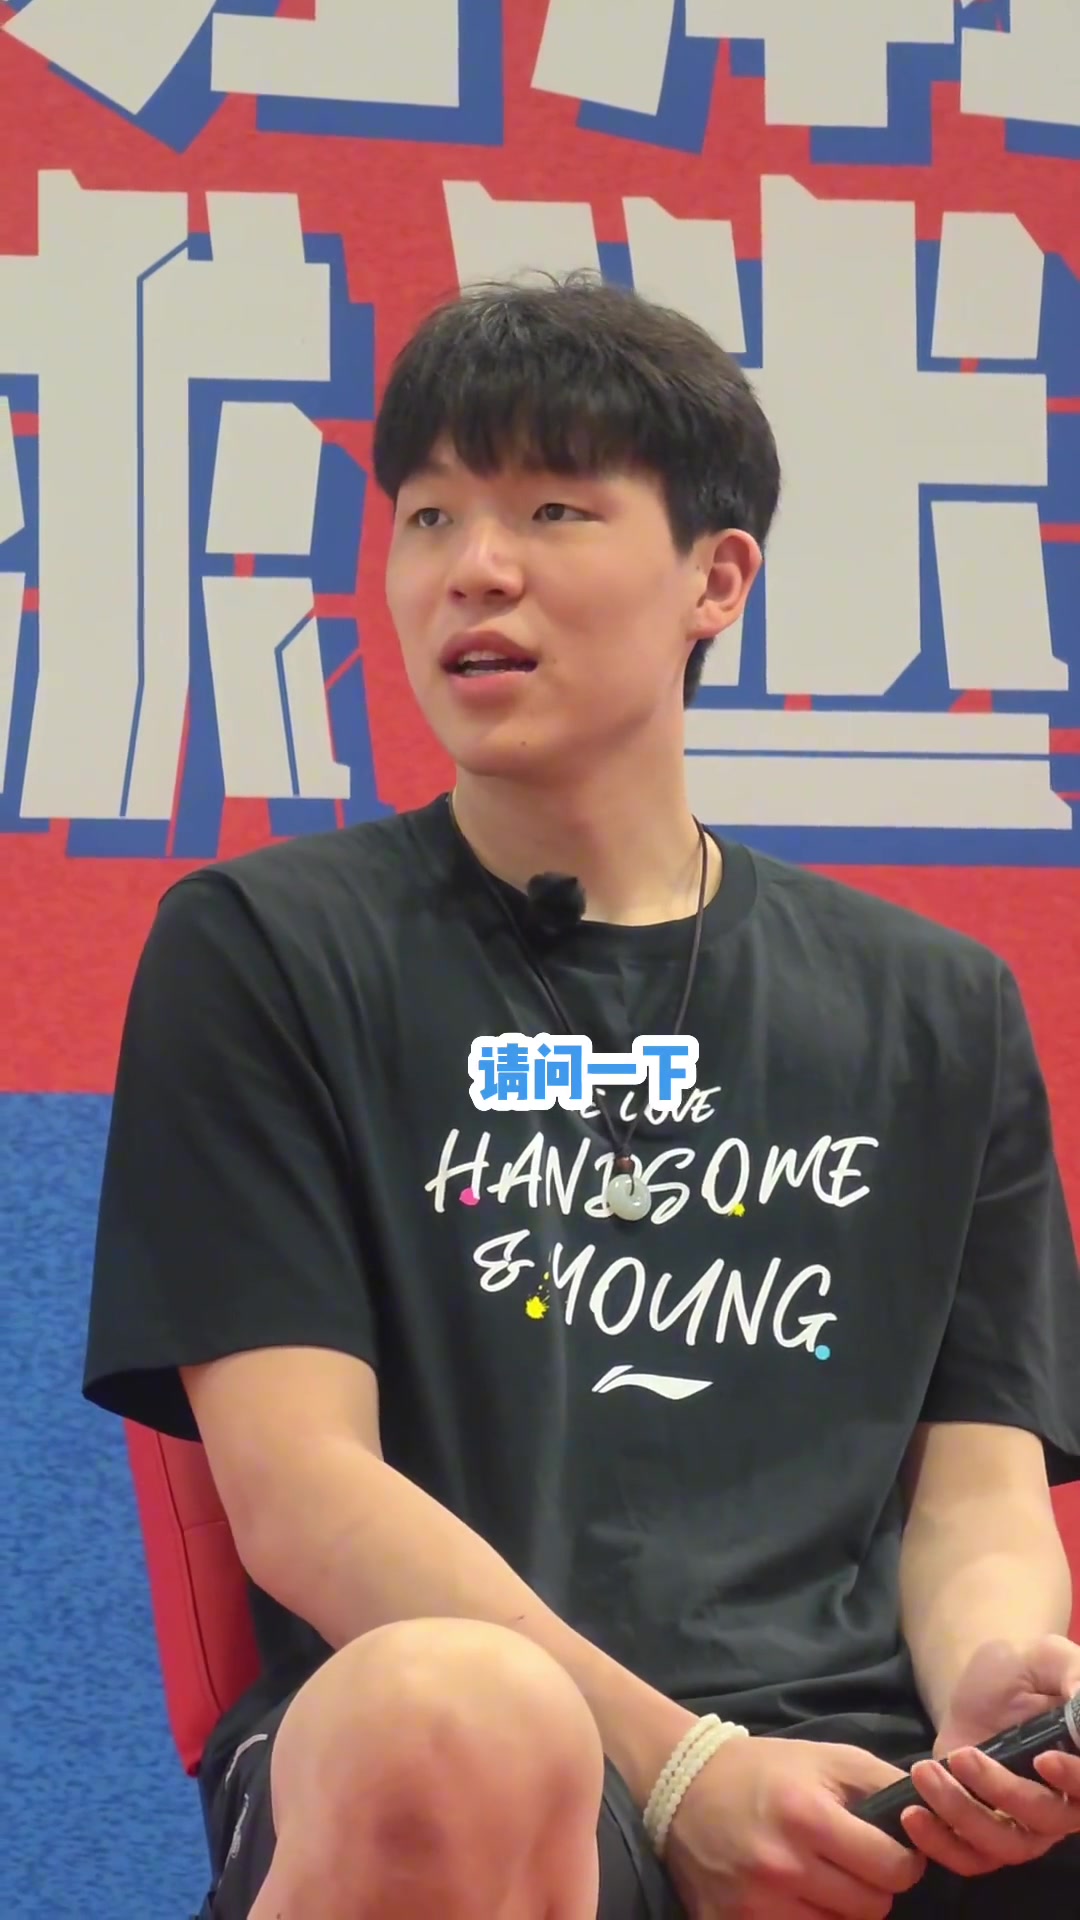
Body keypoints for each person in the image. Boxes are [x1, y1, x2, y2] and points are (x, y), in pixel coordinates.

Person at [84, 272, 1080, 1920]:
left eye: (552, 508)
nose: (473, 567)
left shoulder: (938, 1008)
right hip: (465, 1755)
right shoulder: (265, 948)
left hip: (845, 1771)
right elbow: (300, 1493)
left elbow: (976, 1500)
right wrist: (681, 1771)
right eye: (428, 516)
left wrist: (995, 1687)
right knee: (458, 1714)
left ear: (716, 577)